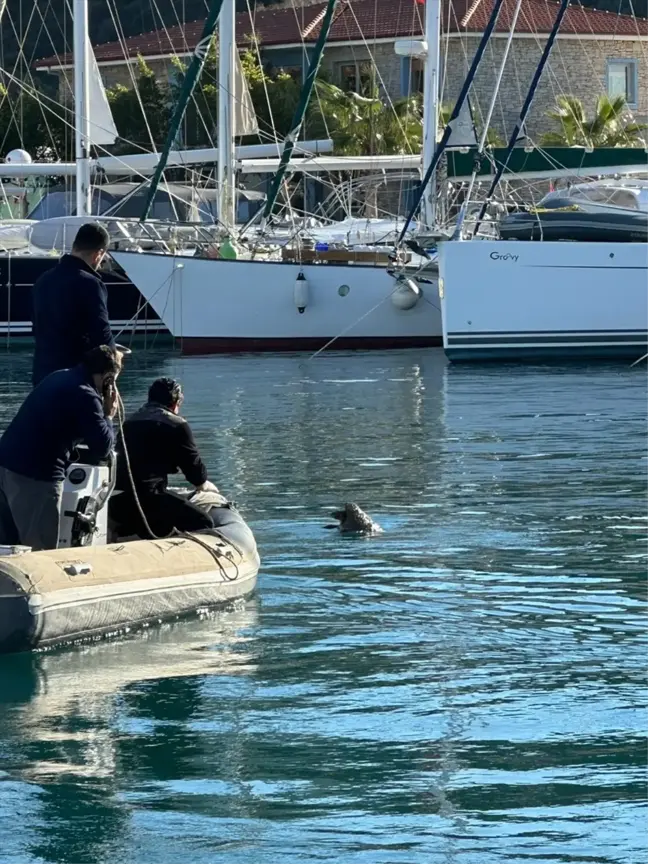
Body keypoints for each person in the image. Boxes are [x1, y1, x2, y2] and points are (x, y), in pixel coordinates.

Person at [0, 346, 120, 551]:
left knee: (7, 547)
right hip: (35, 477)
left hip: (5, 465)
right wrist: (109, 415)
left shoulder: (60, 376)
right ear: (109, 378)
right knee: (40, 550)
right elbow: (103, 447)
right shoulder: (86, 395)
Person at [110, 377, 216, 539]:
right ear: (176, 403)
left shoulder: (129, 423)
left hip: (120, 502)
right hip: (151, 498)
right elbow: (193, 469)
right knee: (204, 523)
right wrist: (203, 483)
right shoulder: (177, 425)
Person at [31, 222, 116, 386]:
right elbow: (102, 336)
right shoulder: (90, 284)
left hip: (42, 379)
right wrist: (115, 355)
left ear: (75, 246)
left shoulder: (43, 281)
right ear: (98, 254)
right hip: (76, 382)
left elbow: (37, 327)